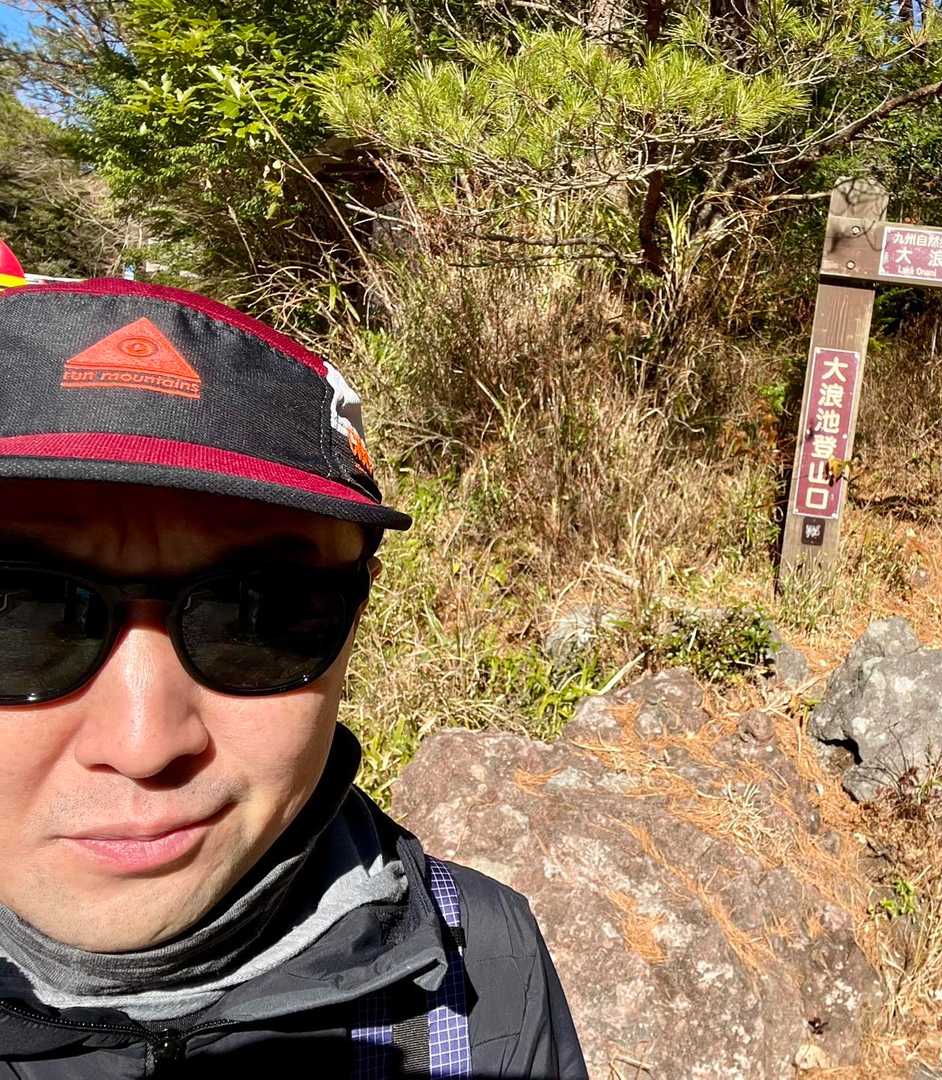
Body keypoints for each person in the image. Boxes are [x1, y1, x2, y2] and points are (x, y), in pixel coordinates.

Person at [0, 278, 588, 1078]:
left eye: (259, 614)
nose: (145, 744)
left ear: (358, 612)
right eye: (22, 616)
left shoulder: (478, 964)